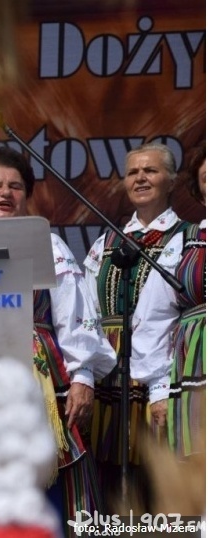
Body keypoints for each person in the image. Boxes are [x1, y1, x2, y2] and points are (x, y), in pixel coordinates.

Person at [0, 145, 116, 527]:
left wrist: (83, 377)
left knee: (47, 486)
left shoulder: (47, 245)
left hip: (40, 387)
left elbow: (75, 315)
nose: (6, 193)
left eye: (16, 186)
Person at [83, 142, 193, 503]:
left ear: (172, 180)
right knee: (108, 475)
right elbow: (85, 310)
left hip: (165, 368)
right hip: (108, 371)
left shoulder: (188, 238)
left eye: (151, 170)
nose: (141, 178)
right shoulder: (106, 243)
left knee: (158, 473)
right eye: (133, 172)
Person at [131, 144, 205, 458]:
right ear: (199, 190)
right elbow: (153, 317)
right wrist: (159, 389)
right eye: (206, 177)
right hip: (198, 368)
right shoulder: (186, 242)